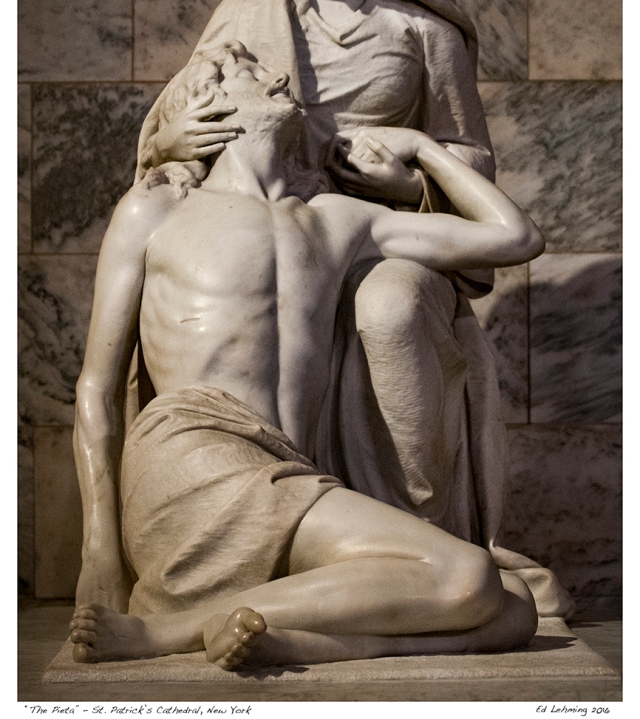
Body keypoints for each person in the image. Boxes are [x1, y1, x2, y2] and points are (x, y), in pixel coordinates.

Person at [131, 0, 572, 617]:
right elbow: (182, 110)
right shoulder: (252, 8)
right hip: (269, 215)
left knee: (390, 308)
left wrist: (408, 170)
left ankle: (423, 533)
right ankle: (306, 530)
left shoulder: (423, 33)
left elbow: (475, 161)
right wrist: (164, 145)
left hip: (388, 227)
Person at [70, 42, 541, 668]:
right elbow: (97, 389)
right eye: (252, 69)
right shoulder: (156, 210)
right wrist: (98, 553)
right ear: (207, 101)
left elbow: (515, 237)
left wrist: (425, 149)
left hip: (289, 475)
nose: (281, 74)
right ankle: (172, 631)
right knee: (467, 579)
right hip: (192, 462)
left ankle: (293, 640)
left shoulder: (336, 219)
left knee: (513, 607)